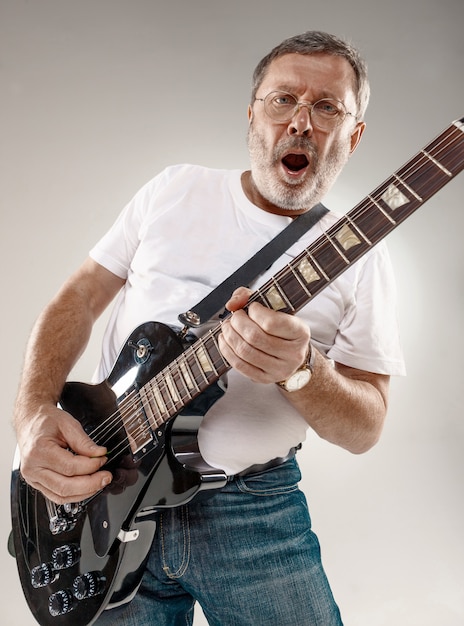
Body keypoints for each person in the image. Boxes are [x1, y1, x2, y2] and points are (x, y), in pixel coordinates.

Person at [13, 31, 405, 625]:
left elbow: (365, 426)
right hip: (104, 488)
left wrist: (304, 373)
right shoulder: (173, 189)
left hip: (254, 517)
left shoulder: (363, 258)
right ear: (252, 116)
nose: (301, 121)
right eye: (282, 100)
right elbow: (78, 296)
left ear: (353, 135)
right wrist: (34, 411)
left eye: (327, 106)